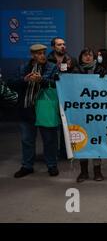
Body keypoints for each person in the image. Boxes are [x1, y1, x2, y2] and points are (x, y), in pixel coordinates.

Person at [13, 44, 59, 178]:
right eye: (39, 53)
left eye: (44, 53)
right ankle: (27, 166)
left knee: (49, 139)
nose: (43, 56)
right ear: (32, 55)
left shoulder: (52, 67)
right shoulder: (23, 68)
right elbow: (11, 83)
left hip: (44, 108)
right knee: (27, 139)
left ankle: (52, 165)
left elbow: (56, 84)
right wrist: (25, 80)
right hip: (27, 108)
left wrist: (42, 80)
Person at [74, 48, 107, 182]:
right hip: (81, 112)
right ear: (81, 57)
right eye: (85, 55)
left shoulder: (101, 69)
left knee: (96, 141)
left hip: (97, 113)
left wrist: (104, 75)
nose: (88, 57)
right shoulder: (75, 70)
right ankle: (83, 171)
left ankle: (97, 171)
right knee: (81, 141)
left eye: (90, 55)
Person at [47, 37, 78, 159]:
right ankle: (52, 153)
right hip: (51, 97)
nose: (63, 46)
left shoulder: (71, 59)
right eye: (59, 44)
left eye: (64, 44)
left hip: (67, 97)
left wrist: (70, 69)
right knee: (52, 127)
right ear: (53, 47)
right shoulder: (47, 60)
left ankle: (65, 152)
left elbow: (79, 76)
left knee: (66, 125)